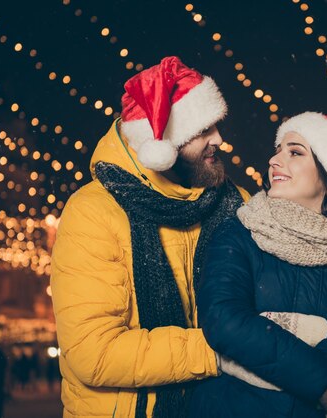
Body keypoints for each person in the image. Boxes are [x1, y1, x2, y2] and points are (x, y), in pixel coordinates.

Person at [50, 56, 249, 418]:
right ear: (164, 142)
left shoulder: (239, 204)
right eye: (204, 129)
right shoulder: (93, 212)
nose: (219, 139)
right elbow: (95, 353)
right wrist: (222, 353)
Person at [191, 112, 327, 417]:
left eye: (295, 152)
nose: (274, 160)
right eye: (278, 150)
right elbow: (222, 321)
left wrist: (325, 333)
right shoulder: (241, 232)